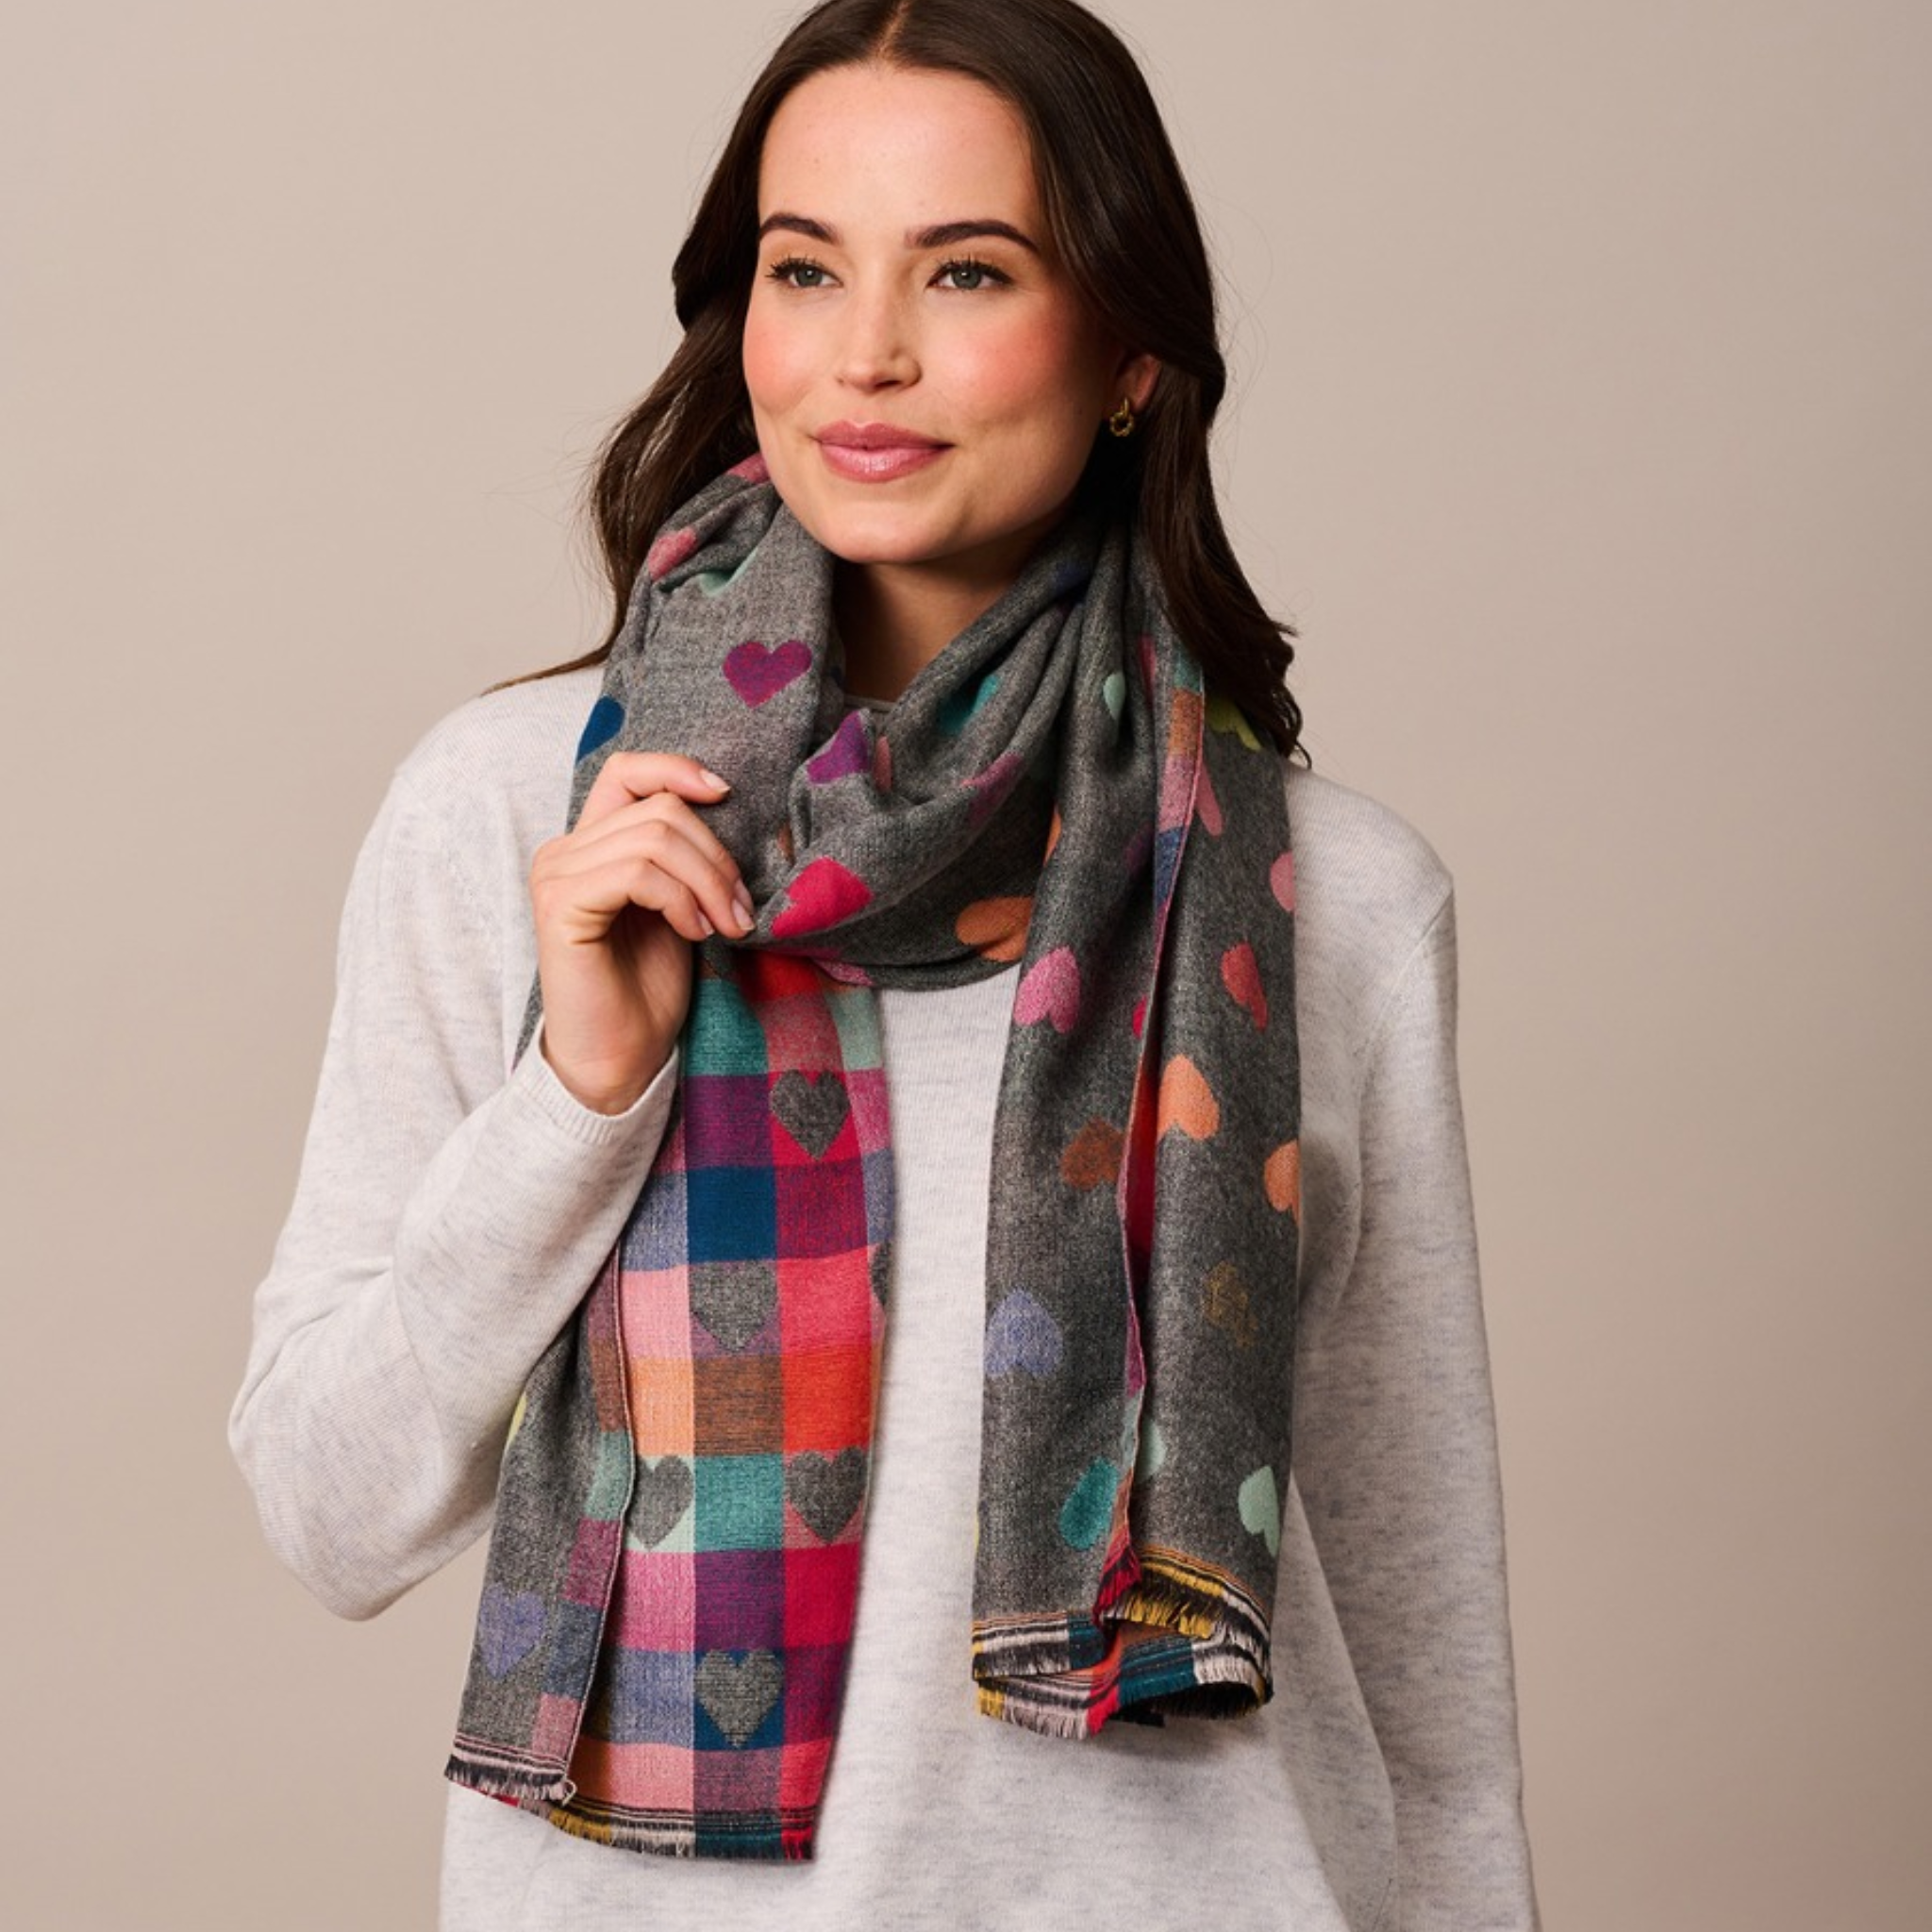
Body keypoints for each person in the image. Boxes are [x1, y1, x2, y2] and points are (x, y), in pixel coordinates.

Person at [230, 0, 1541, 1925]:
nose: (868, 353)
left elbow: (1428, 1672)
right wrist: (580, 1098)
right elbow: (328, 1512)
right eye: (805, 268)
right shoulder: (520, 820)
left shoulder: (1326, 899)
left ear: (1130, 355)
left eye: (969, 270)